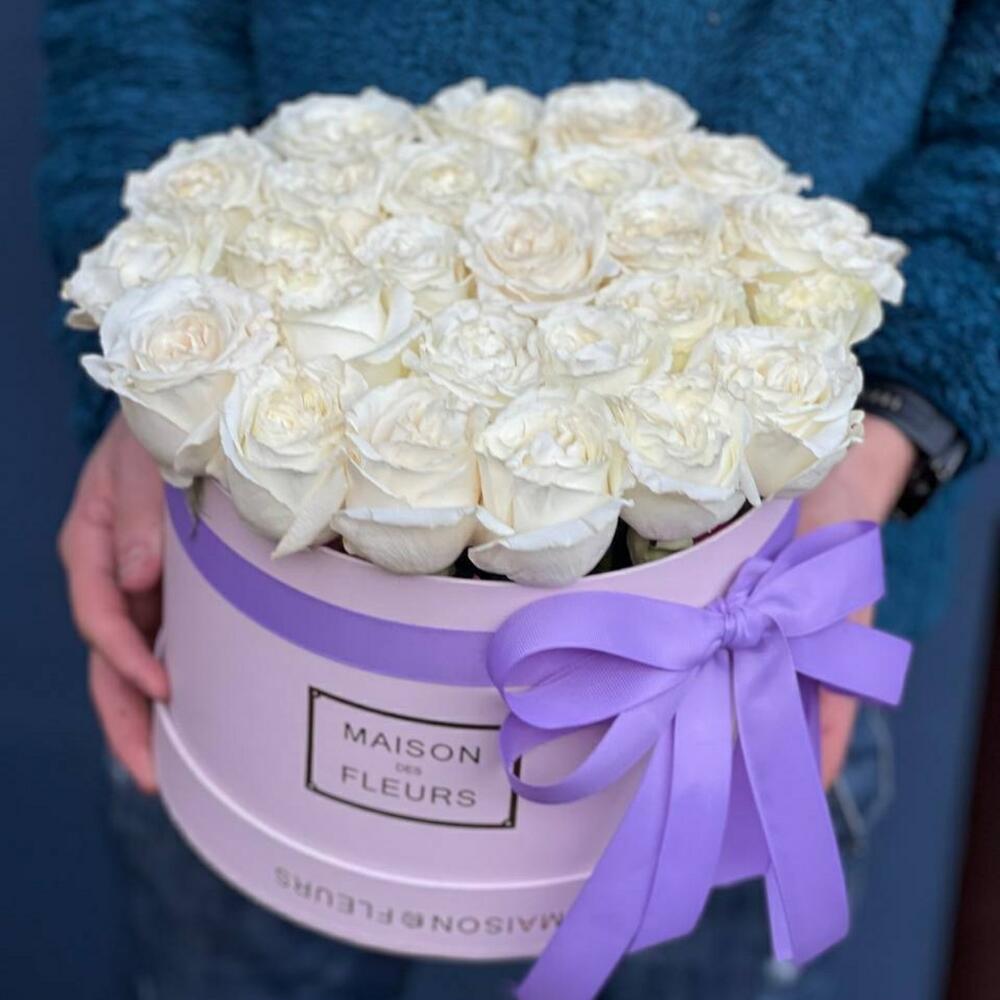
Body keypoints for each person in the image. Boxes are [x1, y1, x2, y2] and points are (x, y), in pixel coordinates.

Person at [42, 2, 997, 998]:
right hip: (250, 638)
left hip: (744, 664)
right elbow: (139, 24)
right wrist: (151, 381)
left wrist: (890, 425)